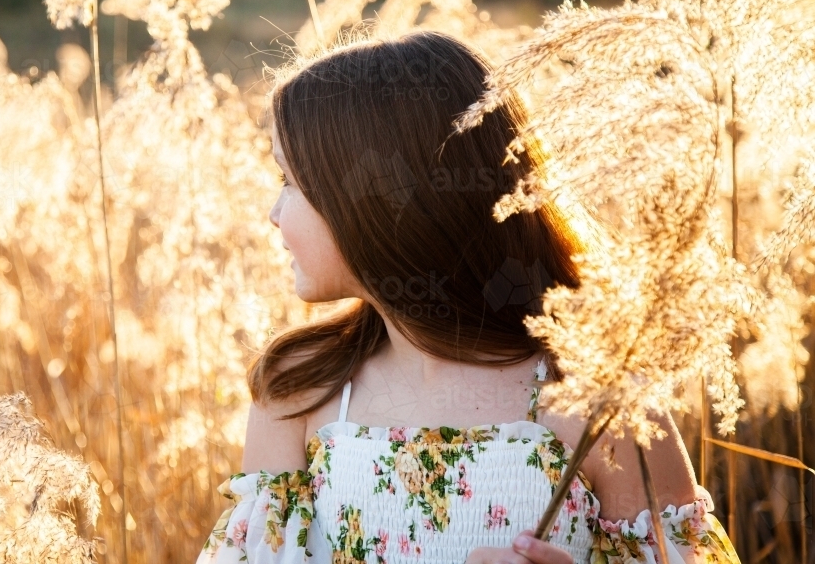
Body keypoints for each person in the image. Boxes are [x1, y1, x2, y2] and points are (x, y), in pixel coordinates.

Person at [196, 31, 740, 564]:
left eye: (288, 181)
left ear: (379, 202)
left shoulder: (596, 402)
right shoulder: (301, 387)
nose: (273, 212)